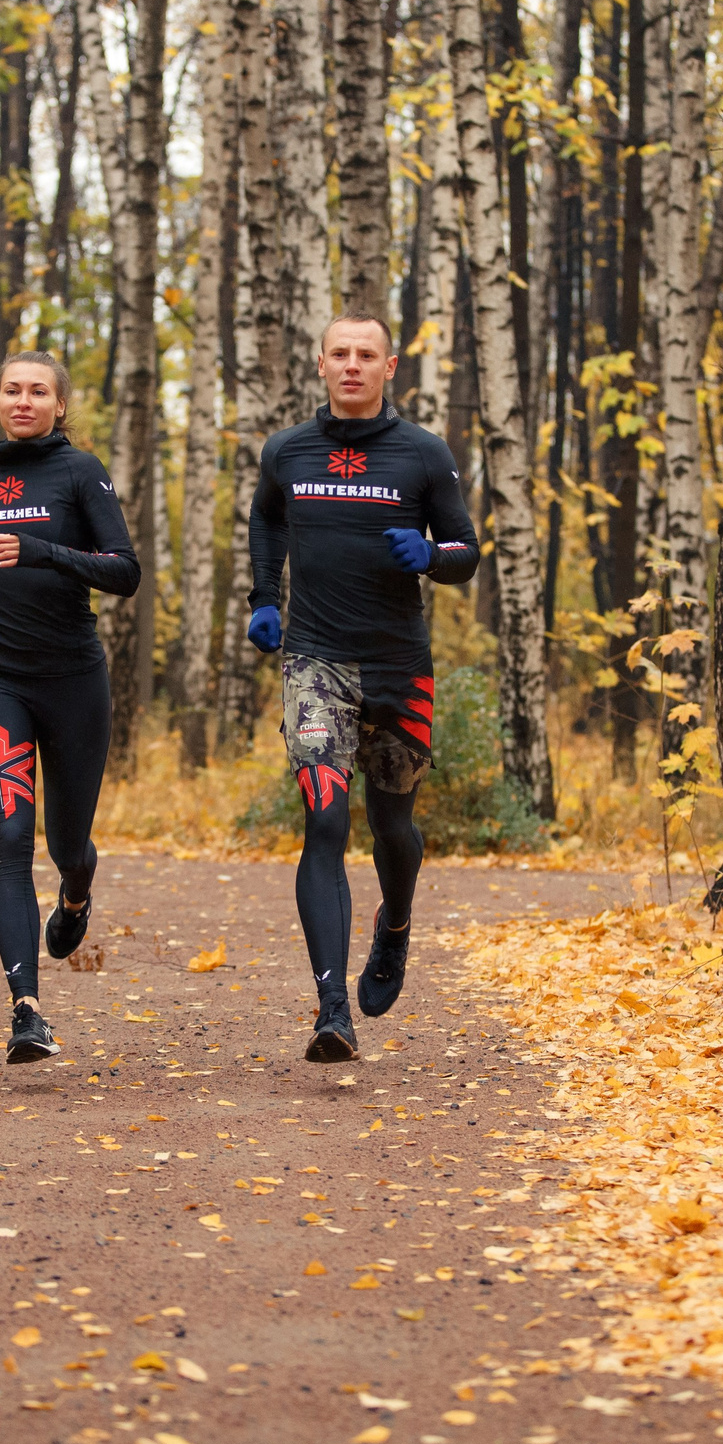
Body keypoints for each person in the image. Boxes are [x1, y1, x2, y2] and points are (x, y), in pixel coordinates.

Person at [247, 315, 480, 1061]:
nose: (352, 365)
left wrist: (431, 553)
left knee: (392, 827)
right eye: (340, 354)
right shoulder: (287, 450)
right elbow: (266, 519)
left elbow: (467, 550)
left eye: (366, 354)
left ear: (390, 366)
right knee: (324, 821)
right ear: (321, 363)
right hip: (316, 661)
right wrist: (264, 597)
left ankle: (396, 923)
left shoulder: (423, 453)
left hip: (397, 665)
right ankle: (331, 1009)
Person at [0, 351, 140, 1064]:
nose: (24, 400)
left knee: (64, 845)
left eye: (38, 391)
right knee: (9, 839)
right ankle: (27, 1011)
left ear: (58, 404)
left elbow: (125, 570)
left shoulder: (80, 472)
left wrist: (46, 551)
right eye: (12, 390)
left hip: (74, 681)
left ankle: (76, 892)